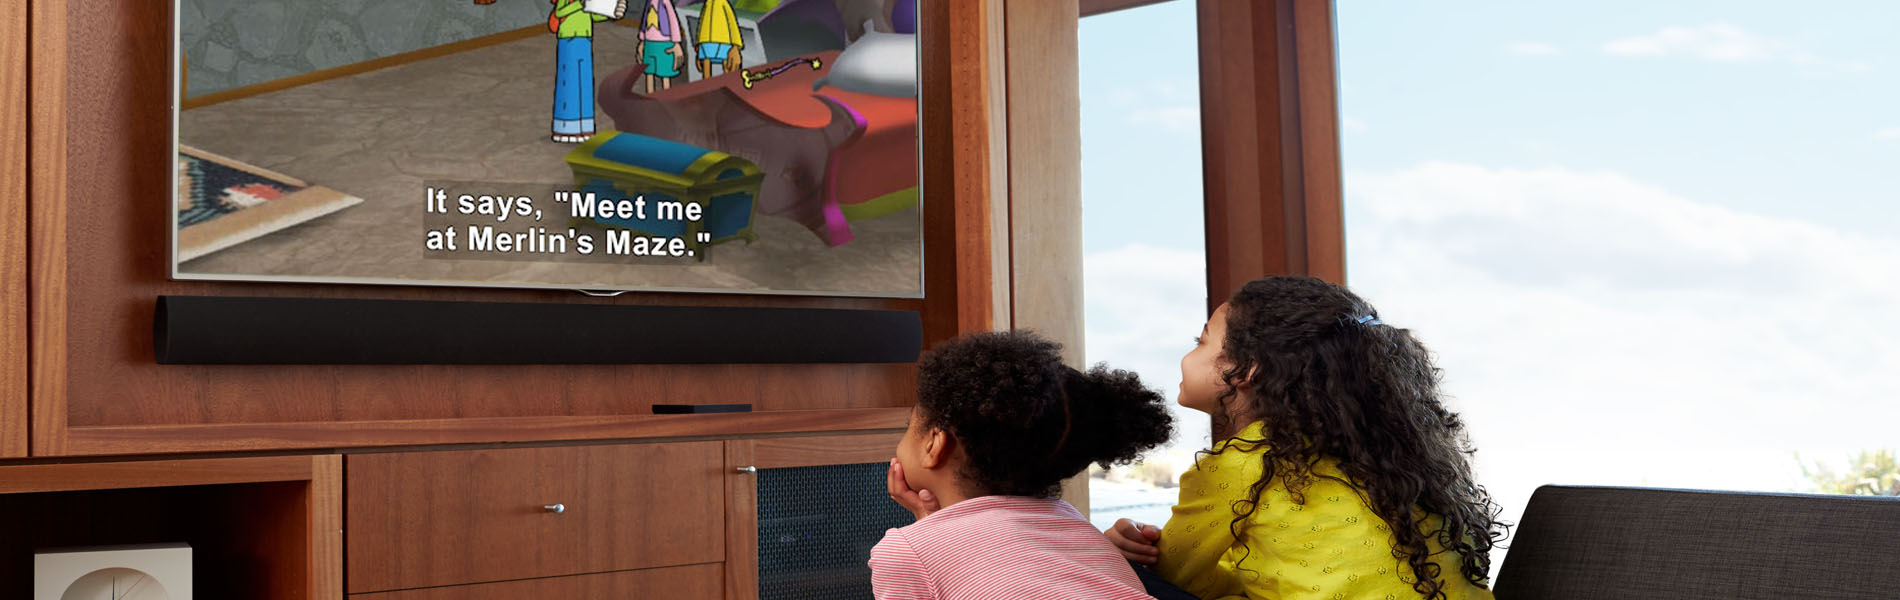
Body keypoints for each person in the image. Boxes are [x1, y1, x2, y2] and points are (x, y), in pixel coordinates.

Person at [1106, 275, 1507, 600]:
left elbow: (1179, 580)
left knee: (1111, 576)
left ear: (1246, 371)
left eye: (1202, 341)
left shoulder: (1242, 463)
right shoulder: (1387, 463)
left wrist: (1122, 551)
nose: (1188, 354)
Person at [871, 331, 1174, 600]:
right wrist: (929, 526)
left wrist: (921, 535)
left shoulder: (904, 552)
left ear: (934, 444)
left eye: (909, 424)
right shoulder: (1077, 525)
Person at [548, 0, 624, 143]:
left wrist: (612, 13)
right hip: (569, 38)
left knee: (585, 83)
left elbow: (593, 14)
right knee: (570, 84)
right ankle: (566, 127)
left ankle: (585, 126)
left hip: (585, 39)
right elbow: (560, 12)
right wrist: (581, 4)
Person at [636, 0, 687, 93]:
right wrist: (642, 40)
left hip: (664, 44)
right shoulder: (649, 2)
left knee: (665, 74)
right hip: (649, 44)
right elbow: (645, 21)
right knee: (649, 73)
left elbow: (673, 20)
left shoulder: (666, 2)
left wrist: (676, 43)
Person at [695, 0, 745, 79]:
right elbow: (701, 24)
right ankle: (706, 87)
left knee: (727, 68)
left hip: (723, 41)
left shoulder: (723, 3)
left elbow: (732, 24)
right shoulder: (707, 4)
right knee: (706, 71)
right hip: (705, 43)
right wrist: (698, 46)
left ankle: (728, 84)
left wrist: (736, 45)